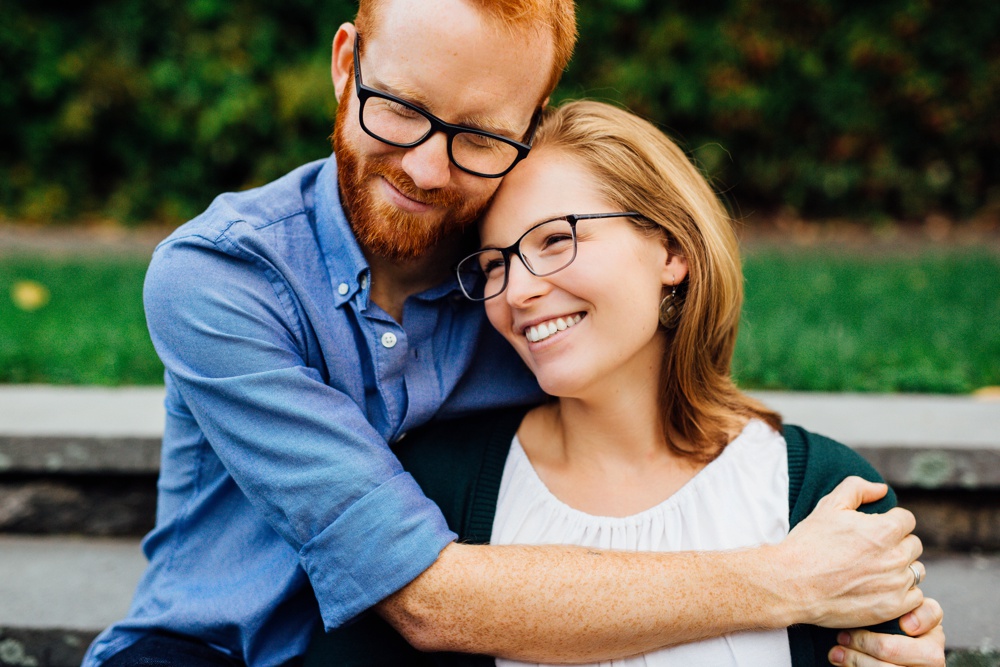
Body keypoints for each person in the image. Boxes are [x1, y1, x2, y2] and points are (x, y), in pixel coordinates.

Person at [83, 1, 941, 666]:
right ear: (347, 65)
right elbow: (427, 599)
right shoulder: (222, 277)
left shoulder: (520, 273)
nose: (425, 166)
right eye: (400, 108)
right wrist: (791, 579)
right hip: (215, 649)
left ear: (526, 130)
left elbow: (652, 367)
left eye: (479, 135)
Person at [308, 99, 946, 666]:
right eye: (495, 264)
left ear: (672, 251)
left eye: (555, 239)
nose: (517, 291)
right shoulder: (438, 487)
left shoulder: (827, 498)